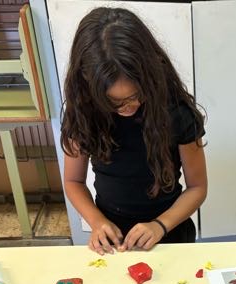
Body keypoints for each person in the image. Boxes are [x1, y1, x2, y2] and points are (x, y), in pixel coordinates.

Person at [60, 7, 207, 254]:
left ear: (150, 73)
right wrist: (97, 222)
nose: (129, 106)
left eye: (137, 95)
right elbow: (73, 181)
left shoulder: (176, 112)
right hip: (111, 236)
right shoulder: (83, 113)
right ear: (87, 83)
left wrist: (160, 225)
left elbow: (198, 187)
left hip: (169, 231)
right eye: (113, 102)